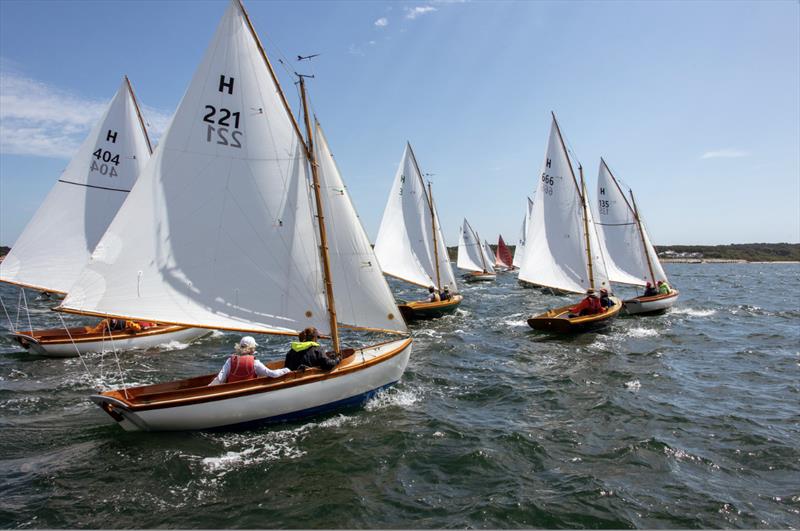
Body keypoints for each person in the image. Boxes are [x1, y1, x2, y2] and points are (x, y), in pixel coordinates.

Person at [209, 336, 290, 386]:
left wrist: (208, 389)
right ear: (251, 349)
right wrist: (287, 370)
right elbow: (273, 374)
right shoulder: (255, 363)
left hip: (232, 393)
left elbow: (219, 379)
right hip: (247, 392)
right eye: (254, 347)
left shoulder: (230, 361)